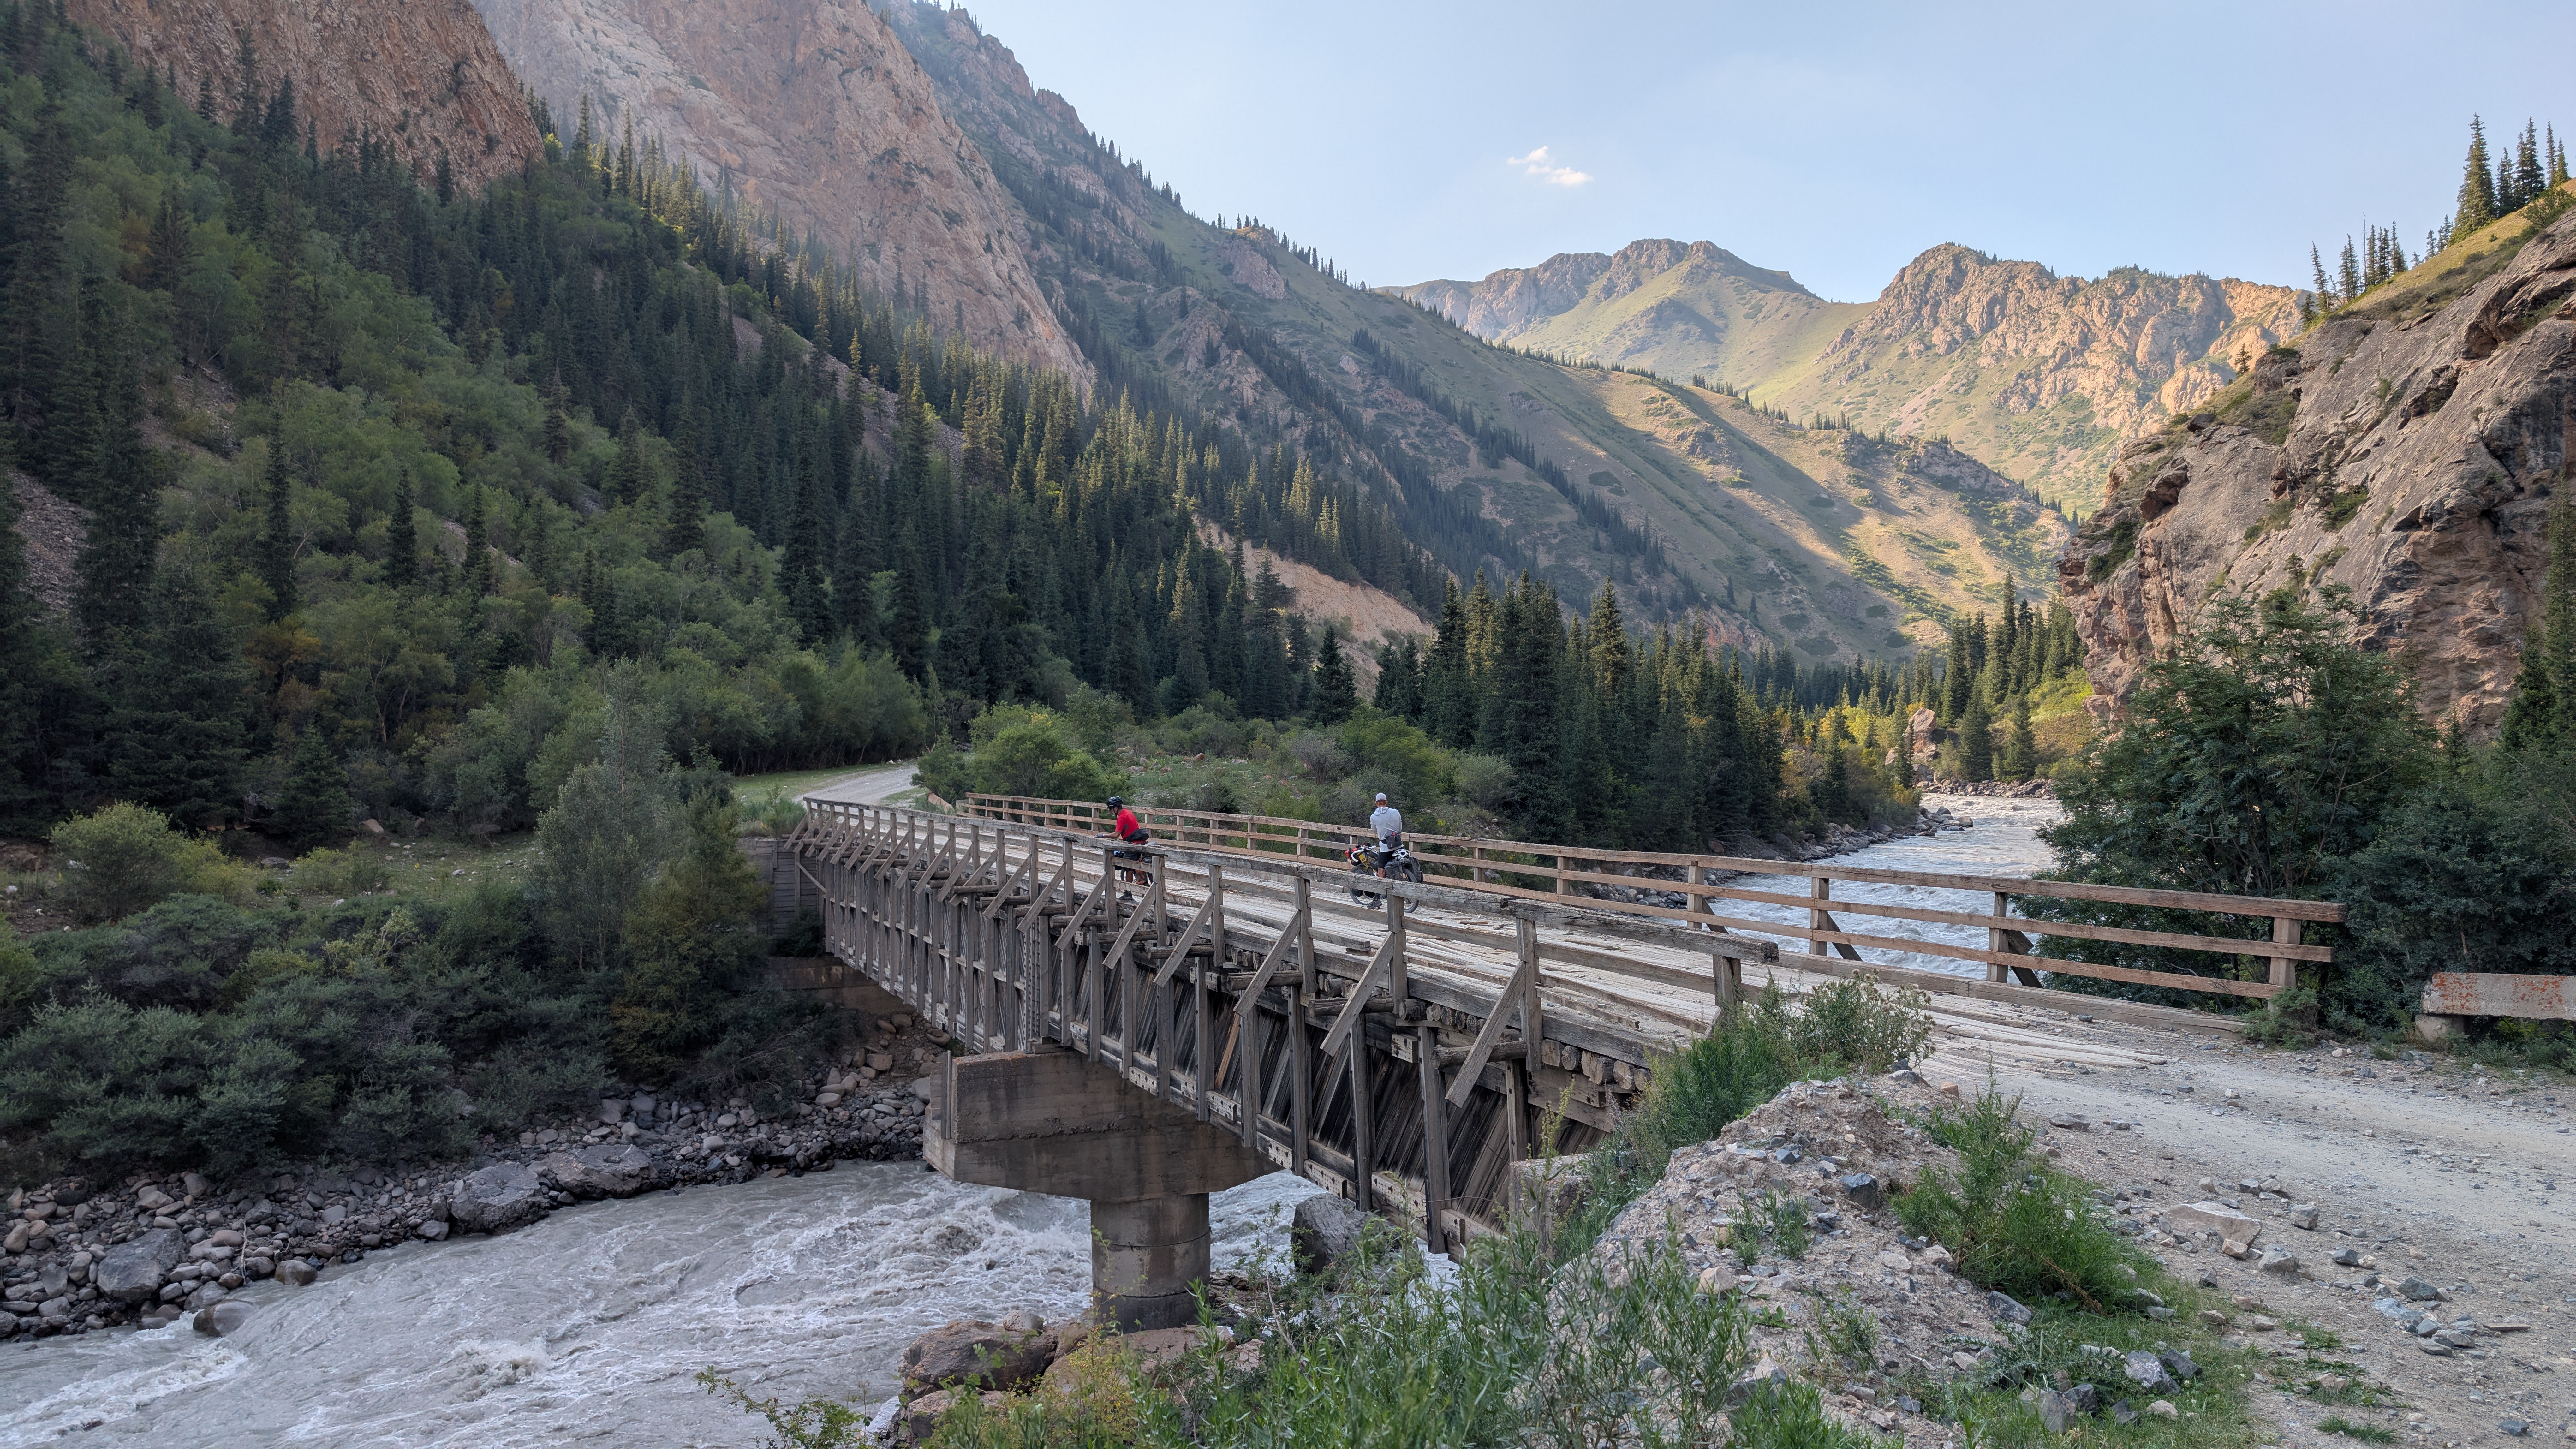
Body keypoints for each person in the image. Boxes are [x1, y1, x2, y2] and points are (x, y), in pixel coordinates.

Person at [1367, 792, 1403, 866]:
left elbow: (1374, 830)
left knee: (1381, 870)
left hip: (1386, 846)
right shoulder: (1396, 812)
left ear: (1375, 804)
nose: (1381, 805)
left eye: (1381, 803)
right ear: (1387, 802)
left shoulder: (1374, 817)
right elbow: (1400, 829)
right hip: (1399, 844)